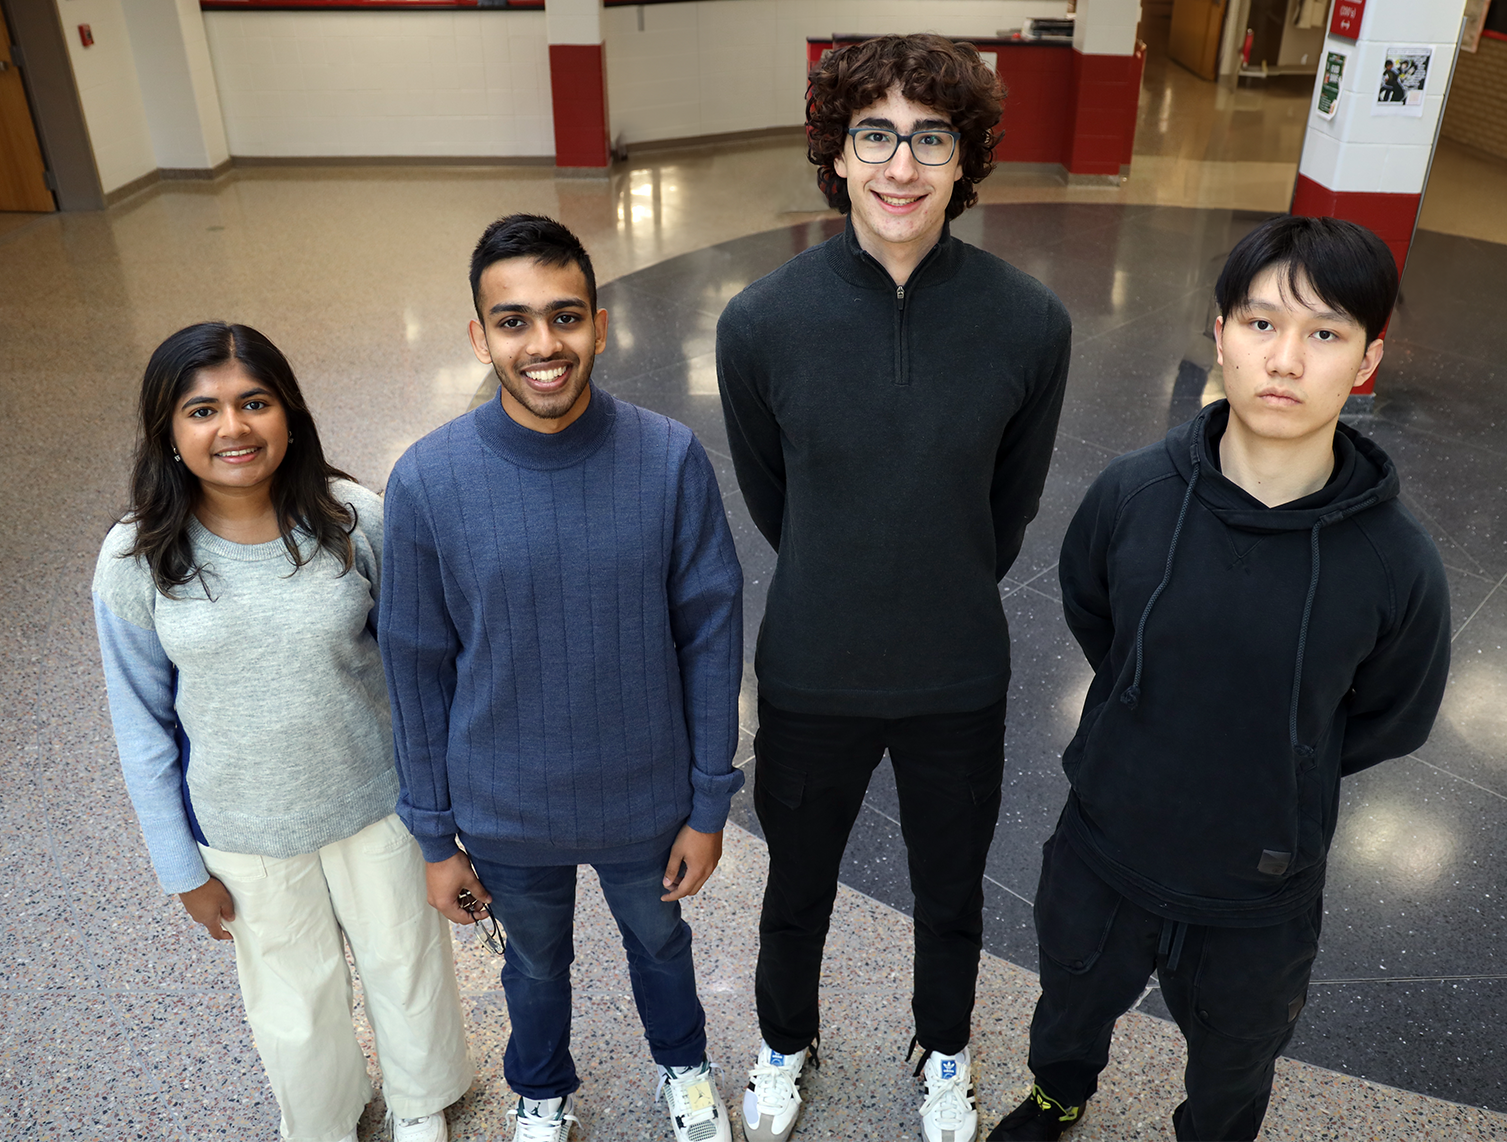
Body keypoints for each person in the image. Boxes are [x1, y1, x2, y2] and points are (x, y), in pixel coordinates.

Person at [988, 215, 1452, 1142]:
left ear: (1367, 361)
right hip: (1107, 843)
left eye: (1325, 334)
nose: (1286, 359)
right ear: (1220, 335)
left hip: (1261, 884)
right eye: (1261, 323)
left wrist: (1287, 755)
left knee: (1237, 1059)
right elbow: (1094, 614)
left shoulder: (1397, 562)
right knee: (1071, 1003)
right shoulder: (1132, 494)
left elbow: (1393, 715)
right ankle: (1056, 1097)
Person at [716, 33, 1071, 1142]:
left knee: (952, 891)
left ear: (966, 160)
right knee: (796, 889)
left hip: (955, 669)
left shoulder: (1029, 323)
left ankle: (946, 1051)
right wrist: (847, 563)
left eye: (932, 136)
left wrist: (931, 572)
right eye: (875, 134)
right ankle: (784, 1041)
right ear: (836, 150)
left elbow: (1004, 511)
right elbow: (780, 502)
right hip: (813, 666)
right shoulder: (760, 323)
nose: (901, 166)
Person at [380, 214, 745, 1142]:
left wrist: (709, 805)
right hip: (505, 808)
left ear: (602, 324)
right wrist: (433, 836)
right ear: (478, 336)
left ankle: (685, 1070)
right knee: (533, 968)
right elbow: (414, 669)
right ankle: (541, 1090)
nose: (543, 346)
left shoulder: (667, 459)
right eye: (513, 321)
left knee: (662, 949)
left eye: (565, 316)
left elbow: (710, 637)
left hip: (647, 798)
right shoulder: (426, 481)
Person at [92, 322, 473, 1142]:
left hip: (378, 802)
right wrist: (177, 866)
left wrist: (444, 812)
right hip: (245, 829)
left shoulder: (354, 519)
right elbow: (141, 723)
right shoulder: (136, 557)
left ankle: (420, 1101)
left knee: (406, 965)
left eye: (253, 402)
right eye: (202, 411)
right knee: (291, 1001)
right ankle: (328, 1118)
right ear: (168, 431)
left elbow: (420, 671)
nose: (232, 429)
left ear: (289, 415)